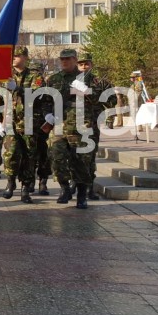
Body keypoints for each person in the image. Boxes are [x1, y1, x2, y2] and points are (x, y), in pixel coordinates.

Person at [41, 49, 100, 210]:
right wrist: (47, 114)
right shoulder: (54, 79)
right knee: (56, 157)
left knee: (81, 162)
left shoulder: (88, 78)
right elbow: (45, 99)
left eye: (68, 59)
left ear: (75, 60)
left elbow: (105, 99)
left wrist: (87, 91)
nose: (64, 62)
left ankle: (81, 196)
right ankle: (65, 189)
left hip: (80, 126)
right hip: (59, 126)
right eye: (62, 59)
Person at [1, 46, 45, 203]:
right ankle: (10, 181)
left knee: (29, 157)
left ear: (25, 57)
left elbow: (37, 95)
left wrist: (18, 89)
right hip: (10, 123)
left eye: (17, 56)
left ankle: (25, 188)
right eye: (12, 56)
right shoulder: (6, 76)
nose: (14, 58)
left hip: (29, 123)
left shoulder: (35, 76)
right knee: (10, 154)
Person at [77, 52, 116, 200]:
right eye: (80, 64)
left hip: (92, 124)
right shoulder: (69, 81)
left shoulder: (100, 82)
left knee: (90, 157)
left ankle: (89, 188)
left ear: (91, 65)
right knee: (74, 157)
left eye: (86, 64)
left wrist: (92, 93)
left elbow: (111, 101)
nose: (83, 67)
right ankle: (75, 185)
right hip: (72, 125)